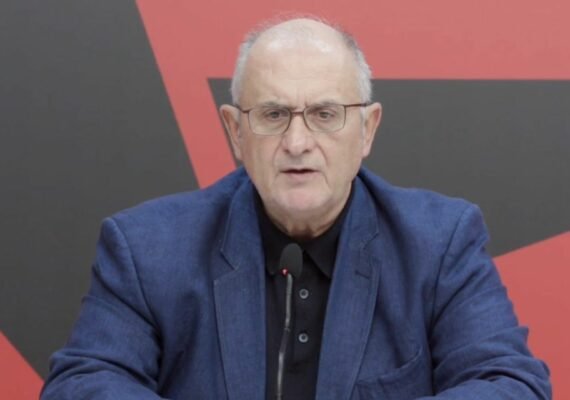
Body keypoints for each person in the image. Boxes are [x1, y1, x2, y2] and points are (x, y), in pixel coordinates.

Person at [41, 17, 551, 400]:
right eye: (273, 114)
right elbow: (82, 382)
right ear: (236, 131)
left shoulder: (438, 242)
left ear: (367, 130)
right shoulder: (147, 247)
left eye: (325, 114)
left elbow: (510, 384)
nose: (297, 142)